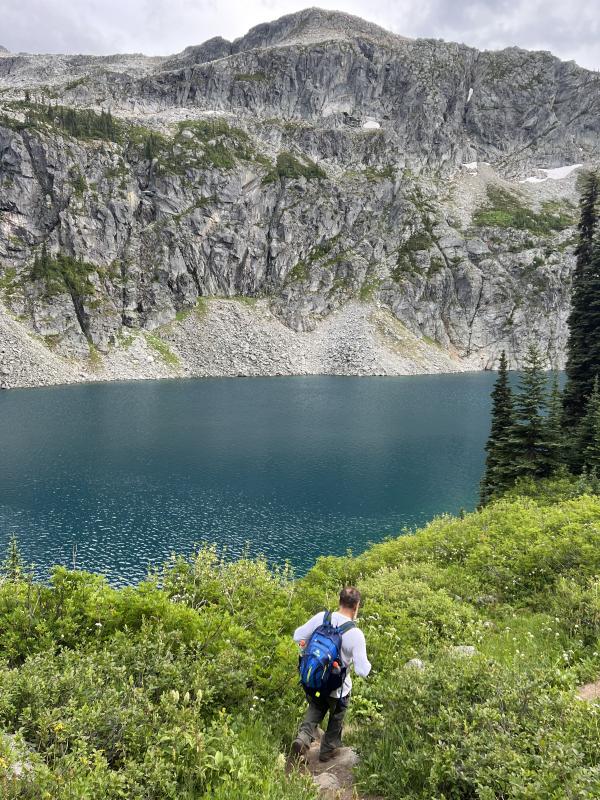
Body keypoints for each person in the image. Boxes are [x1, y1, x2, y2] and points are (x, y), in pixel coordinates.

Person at [291, 586, 371, 762]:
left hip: (317, 682)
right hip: (338, 689)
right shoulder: (355, 634)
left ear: (339, 601)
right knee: (337, 715)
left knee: (316, 706)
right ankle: (328, 749)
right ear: (356, 606)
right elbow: (362, 671)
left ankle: (303, 738)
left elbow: (297, 635)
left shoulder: (322, 617)